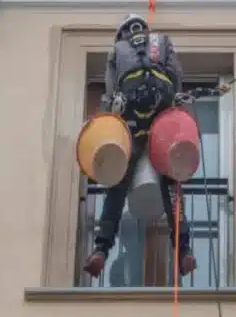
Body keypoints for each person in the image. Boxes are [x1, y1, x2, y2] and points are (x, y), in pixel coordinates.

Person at [82, 14, 197, 279]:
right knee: (171, 186)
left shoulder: (117, 50)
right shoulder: (162, 41)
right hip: (161, 115)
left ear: (122, 32)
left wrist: (109, 113)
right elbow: (175, 73)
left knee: (118, 184)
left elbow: (111, 89)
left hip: (131, 118)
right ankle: (184, 249)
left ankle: (101, 248)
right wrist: (175, 103)